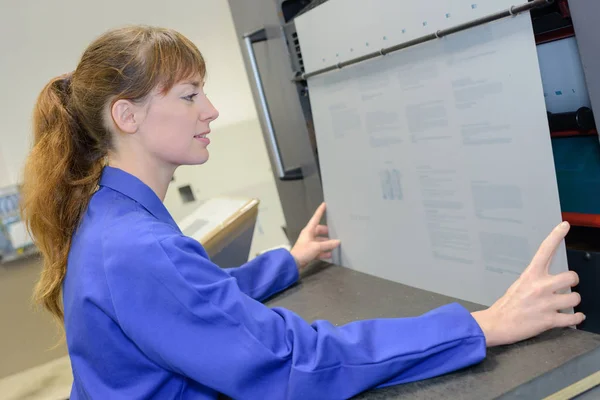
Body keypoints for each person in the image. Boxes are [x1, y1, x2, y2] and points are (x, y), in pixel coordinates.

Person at [20, 25, 585, 400]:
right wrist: (480, 326)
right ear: (126, 115)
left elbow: (199, 294)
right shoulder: (139, 248)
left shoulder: (109, 215)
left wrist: (286, 263)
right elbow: (295, 364)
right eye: (190, 95)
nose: (212, 110)